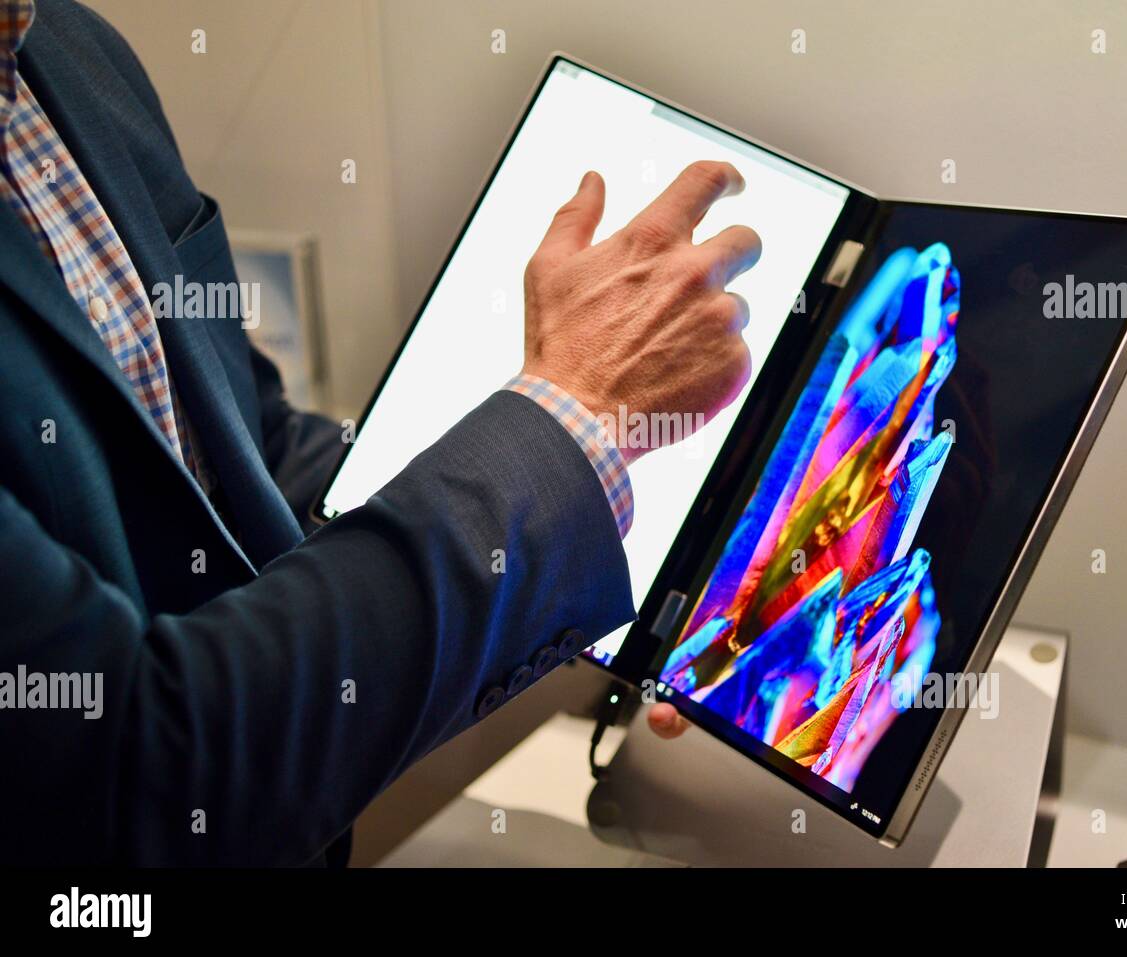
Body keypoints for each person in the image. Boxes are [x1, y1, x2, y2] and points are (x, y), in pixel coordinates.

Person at [0, 0, 753, 865]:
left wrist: (622, 559)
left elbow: (250, 458)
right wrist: (570, 419)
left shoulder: (65, 48)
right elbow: (129, 772)